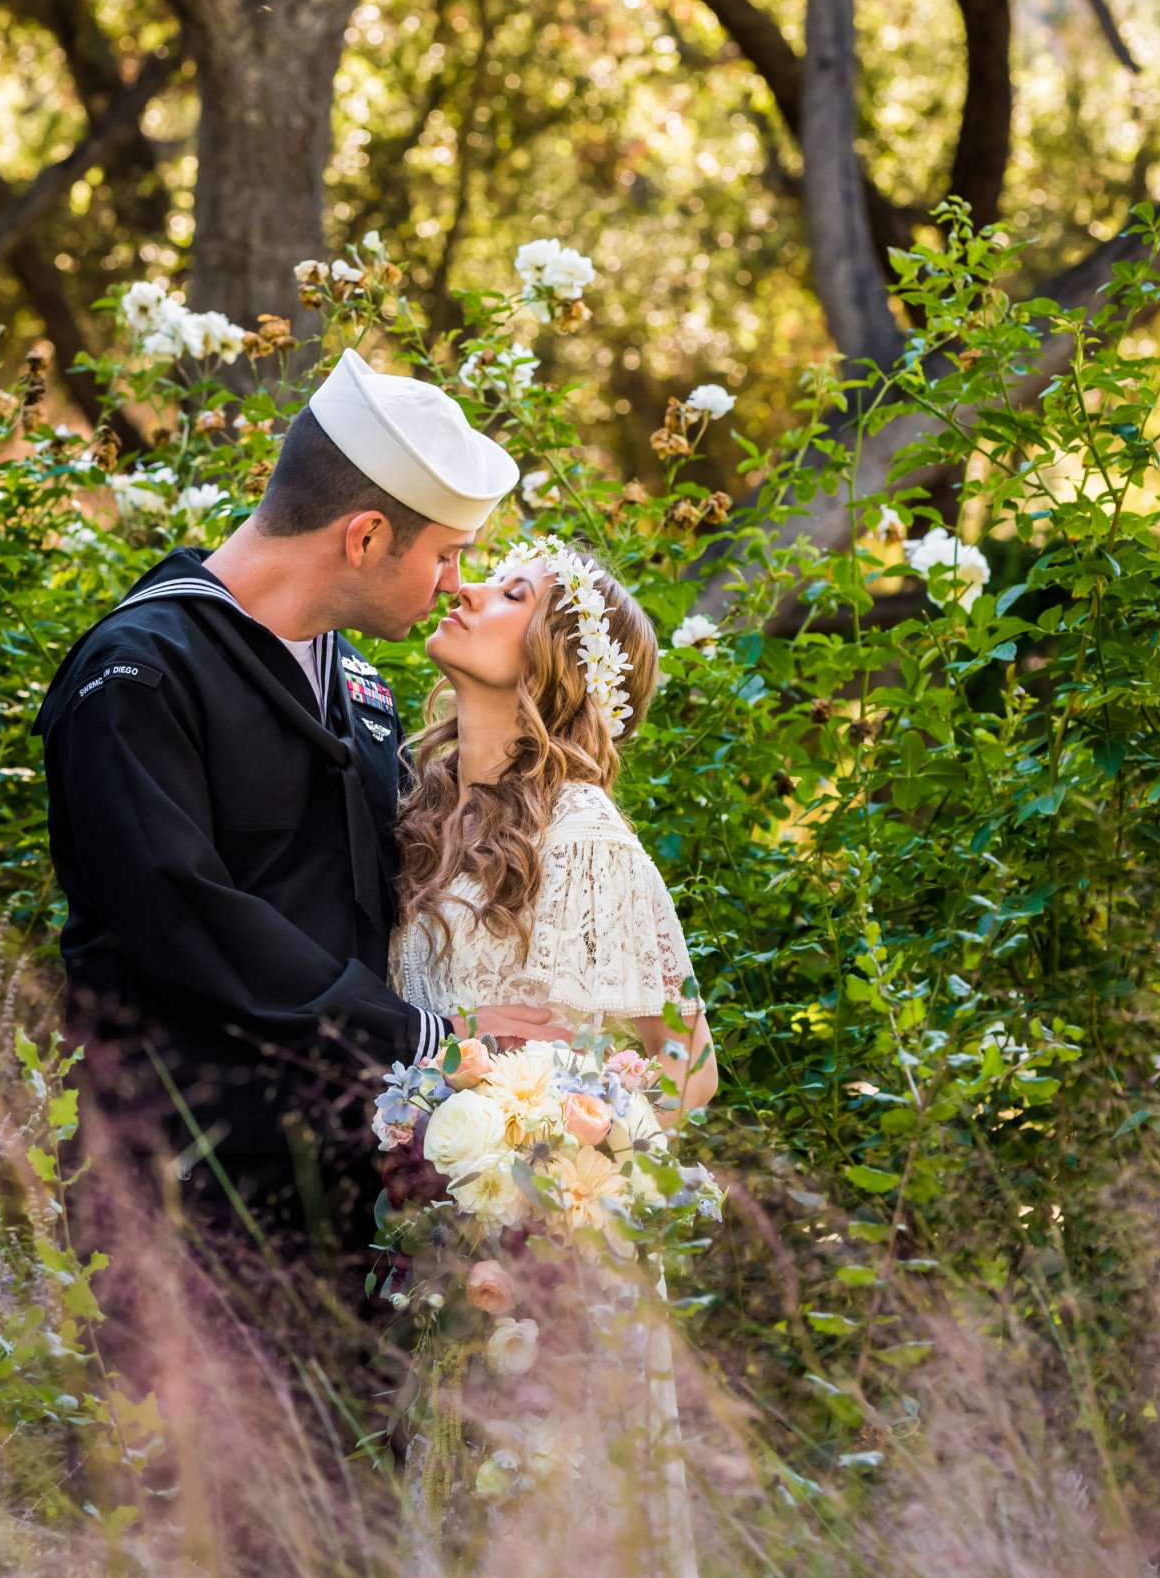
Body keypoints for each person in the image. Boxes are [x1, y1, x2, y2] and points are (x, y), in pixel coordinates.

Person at [33, 349, 566, 1287]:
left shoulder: (358, 685)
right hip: (181, 1183)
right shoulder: (142, 673)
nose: (453, 584)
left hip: (339, 1188)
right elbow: (186, 917)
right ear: (365, 538)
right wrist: (428, 1041)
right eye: (444, 554)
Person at [383, 535, 717, 1576]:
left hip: (554, 1261)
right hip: (429, 1236)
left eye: (512, 591)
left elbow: (690, 1067)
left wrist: (571, 1155)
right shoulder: (407, 802)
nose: (470, 586)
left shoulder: (585, 834)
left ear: (553, 660)